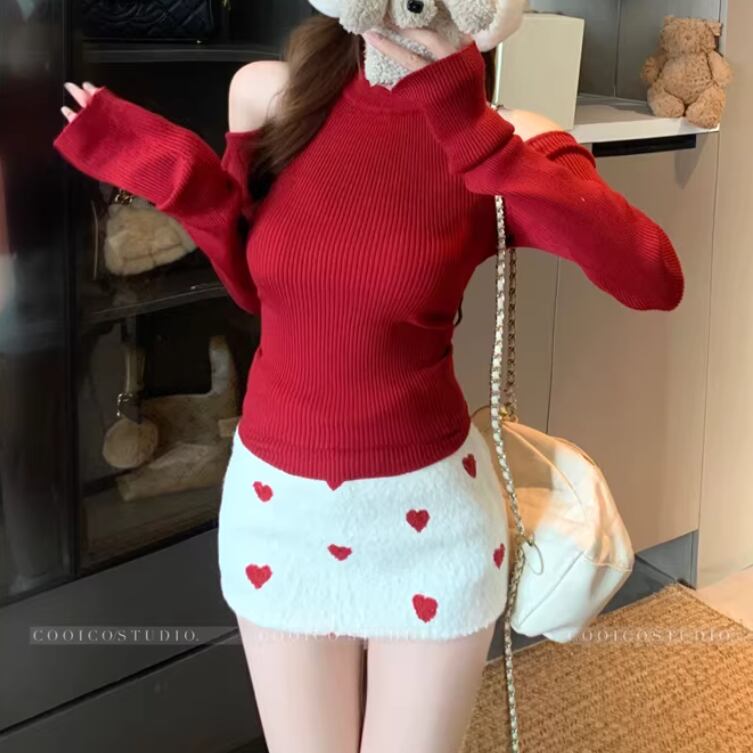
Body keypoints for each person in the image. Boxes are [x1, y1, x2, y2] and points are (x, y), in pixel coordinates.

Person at [52, 8, 684, 753]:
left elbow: (652, 277)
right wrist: (174, 172)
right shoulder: (271, 94)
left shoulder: (508, 134)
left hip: (433, 520)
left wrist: (467, 124)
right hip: (278, 510)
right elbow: (255, 288)